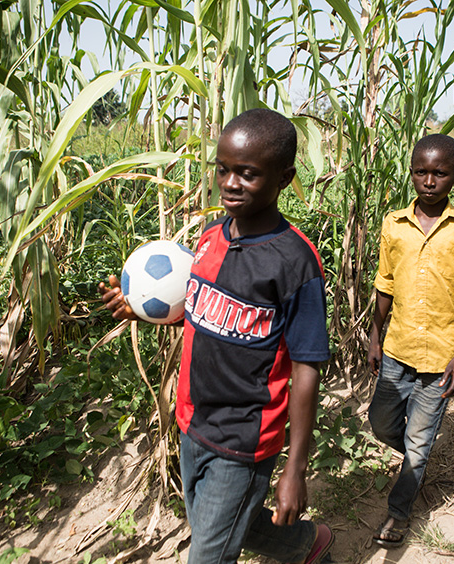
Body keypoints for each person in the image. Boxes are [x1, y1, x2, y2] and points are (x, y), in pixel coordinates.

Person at [98, 109, 334, 564]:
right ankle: (307, 544)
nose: (230, 183)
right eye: (223, 169)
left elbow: (307, 368)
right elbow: (205, 315)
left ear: (284, 177)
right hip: (193, 419)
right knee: (222, 526)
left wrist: (295, 468)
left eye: (247, 173)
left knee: (208, 554)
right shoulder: (209, 239)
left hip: (245, 436)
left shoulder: (294, 263)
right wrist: (143, 312)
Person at [367, 134, 454, 548]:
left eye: (440, 173)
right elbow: (385, 283)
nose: (430, 180)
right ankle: (416, 464)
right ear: (412, 172)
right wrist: (373, 334)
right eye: (422, 171)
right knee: (380, 424)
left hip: (441, 354)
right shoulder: (393, 223)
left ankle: (399, 511)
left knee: (418, 443)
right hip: (398, 347)